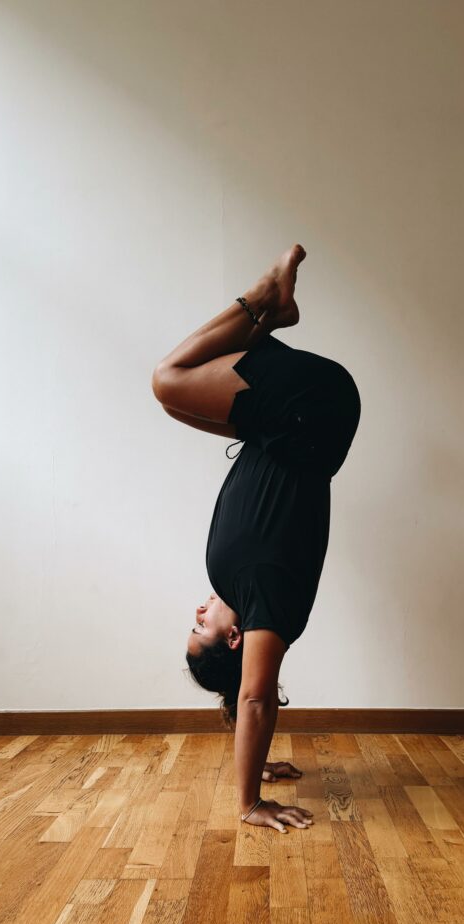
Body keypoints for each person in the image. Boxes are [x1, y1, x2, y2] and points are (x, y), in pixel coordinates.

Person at [151, 244, 361, 833]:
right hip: (311, 411)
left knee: (174, 402)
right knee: (167, 381)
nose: (197, 613)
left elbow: (240, 700)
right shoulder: (267, 604)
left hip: (290, 426)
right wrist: (249, 801)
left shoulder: (236, 585)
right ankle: (263, 301)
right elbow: (254, 698)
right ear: (235, 637)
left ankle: (270, 315)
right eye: (201, 628)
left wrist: (259, 760)